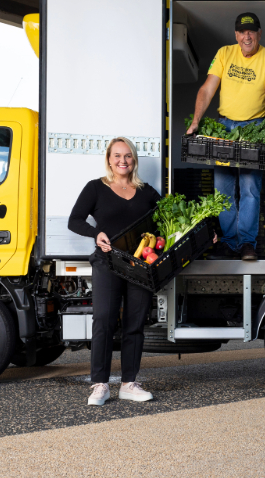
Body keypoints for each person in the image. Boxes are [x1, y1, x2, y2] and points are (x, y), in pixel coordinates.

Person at [68, 137, 161, 406]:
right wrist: (95, 233)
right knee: (104, 321)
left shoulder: (147, 191)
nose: (123, 160)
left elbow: (167, 219)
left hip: (139, 266)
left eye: (128, 155)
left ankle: (129, 384)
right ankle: (100, 384)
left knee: (135, 324)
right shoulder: (95, 188)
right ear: (109, 159)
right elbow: (75, 220)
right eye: (117, 155)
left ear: (134, 160)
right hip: (107, 262)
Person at [187, 12, 265, 261]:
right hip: (224, 130)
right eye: (242, 32)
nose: (247, 36)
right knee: (222, 188)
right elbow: (208, 89)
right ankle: (230, 243)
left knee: (251, 188)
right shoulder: (224, 54)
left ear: (259, 33)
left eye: (251, 31)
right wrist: (196, 121)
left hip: (254, 130)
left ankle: (247, 245)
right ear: (236, 35)